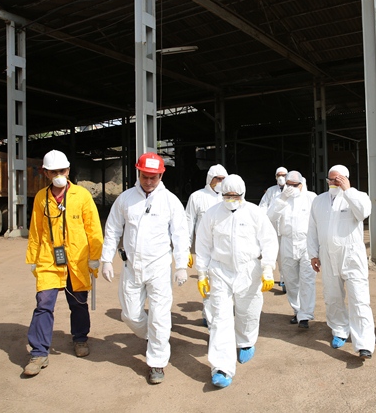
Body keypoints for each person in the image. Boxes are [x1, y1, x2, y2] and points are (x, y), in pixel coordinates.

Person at [99, 152, 190, 384]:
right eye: (144, 176)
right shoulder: (126, 199)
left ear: (161, 175)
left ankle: (157, 363)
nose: (148, 181)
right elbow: (112, 230)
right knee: (130, 315)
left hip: (159, 266)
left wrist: (181, 265)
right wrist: (107, 259)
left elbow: (180, 235)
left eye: (153, 177)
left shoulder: (170, 201)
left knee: (160, 316)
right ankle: (153, 337)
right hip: (131, 266)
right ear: (138, 173)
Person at [24, 150, 103, 376]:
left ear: (68, 171)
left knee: (78, 302)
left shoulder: (82, 195)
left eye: (62, 170)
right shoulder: (41, 197)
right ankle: (39, 353)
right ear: (46, 173)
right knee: (43, 303)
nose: (59, 175)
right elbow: (36, 231)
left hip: (77, 259)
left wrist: (95, 257)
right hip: (49, 258)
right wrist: (33, 258)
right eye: (54, 171)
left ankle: (80, 339)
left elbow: (93, 228)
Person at [195, 174, 278, 388]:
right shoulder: (212, 214)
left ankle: (246, 341)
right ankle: (221, 367)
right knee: (220, 319)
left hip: (248, 269)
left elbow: (269, 240)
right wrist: (202, 273)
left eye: (235, 196)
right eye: (227, 196)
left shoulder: (254, 213)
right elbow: (203, 244)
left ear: (242, 194)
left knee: (248, 311)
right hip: (221, 271)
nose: (231, 199)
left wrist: (268, 268)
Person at [307, 164, 375, 359]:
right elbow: (312, 228)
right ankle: (339, 330)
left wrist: (348, 190)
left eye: (338, 179)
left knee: (360, 300)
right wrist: (313, 254)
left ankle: (364, 344)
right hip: (327, 257)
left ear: (346, 179)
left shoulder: (357, 197)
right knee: (333, 297)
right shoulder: (319, 201)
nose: (333, 183)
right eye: (331, 179)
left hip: (352, 258)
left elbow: (364, 212)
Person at [266, 170, 317, 328]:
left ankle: (305, 315)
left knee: (307, 280)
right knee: (290, 280)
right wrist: (282, 199)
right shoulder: (280, 198)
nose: (291, 188)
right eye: (288, 185)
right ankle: (297, 310)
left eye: (294, 185)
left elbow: (318, 222)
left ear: (302, 184)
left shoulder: (311, 198)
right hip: (287, 242)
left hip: (306, 243)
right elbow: (269, 217)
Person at [185, 164, 228, 327]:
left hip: (226, 247)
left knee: (226, 283)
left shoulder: (229, 196)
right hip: (206, 248)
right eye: (218, 179)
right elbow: (188, 221)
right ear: (210, 179)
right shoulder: (197, 197)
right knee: (208, 283)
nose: (221, 182)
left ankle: (221, 315)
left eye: (224, 179)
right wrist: (186, 248)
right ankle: (211, 321)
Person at [259, 166, 288, 292]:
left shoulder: (292, 190)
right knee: (273, 254)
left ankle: (284, 280)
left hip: (286, 229)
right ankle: (269, 275)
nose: (281, 177)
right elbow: (263, 206)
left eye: (284, 175)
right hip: (272, 228)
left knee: (286, 256)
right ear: (276, 177)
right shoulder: (271, 191)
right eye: (279, 175)